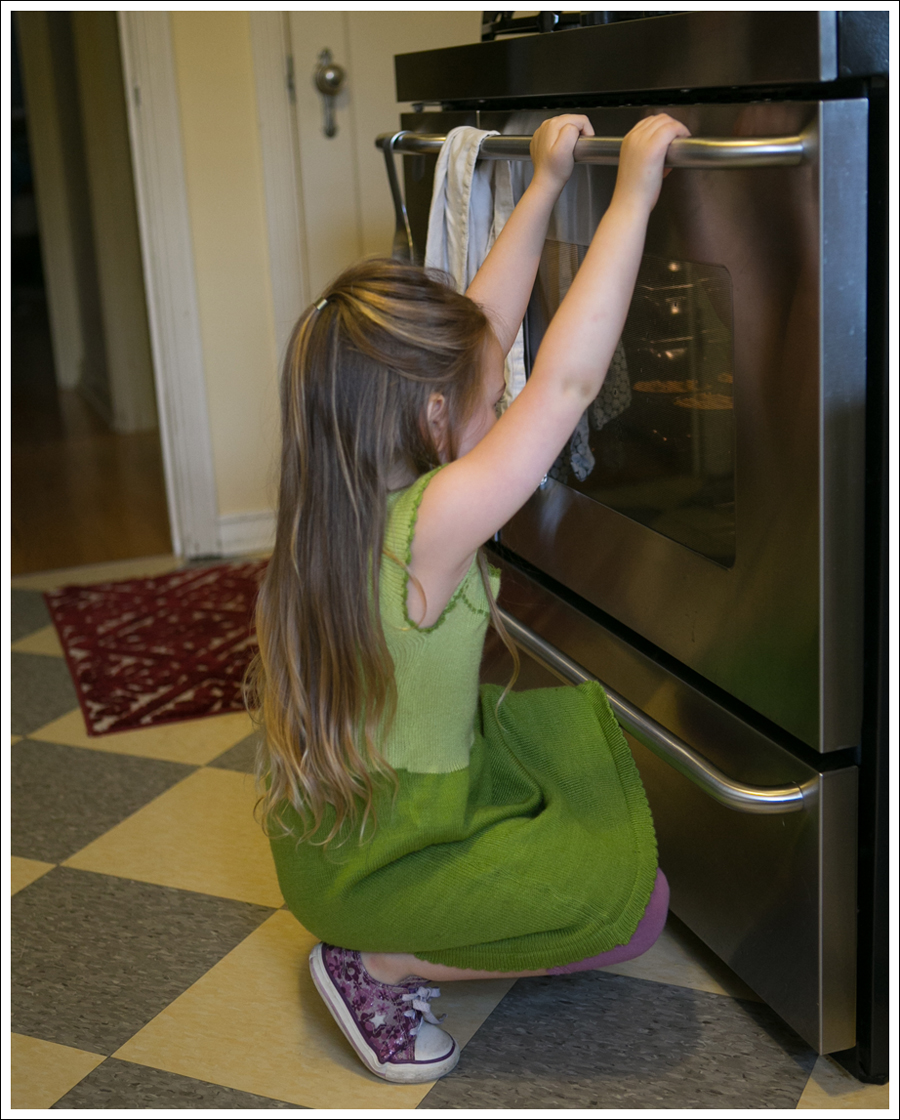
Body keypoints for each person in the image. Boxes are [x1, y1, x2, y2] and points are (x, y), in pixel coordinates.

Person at [246, 113, 690, 1085]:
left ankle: (377, 928)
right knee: (632, 908)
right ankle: (379, 963)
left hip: (351, 836)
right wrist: (632, 196)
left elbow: (476, 337)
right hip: (386, 860)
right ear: (432, 415)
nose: (501, 415)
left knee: (562, 786)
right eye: (490, 405)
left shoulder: (340, 505)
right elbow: (565, 386)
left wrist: (543, 186)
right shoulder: (429, 524)